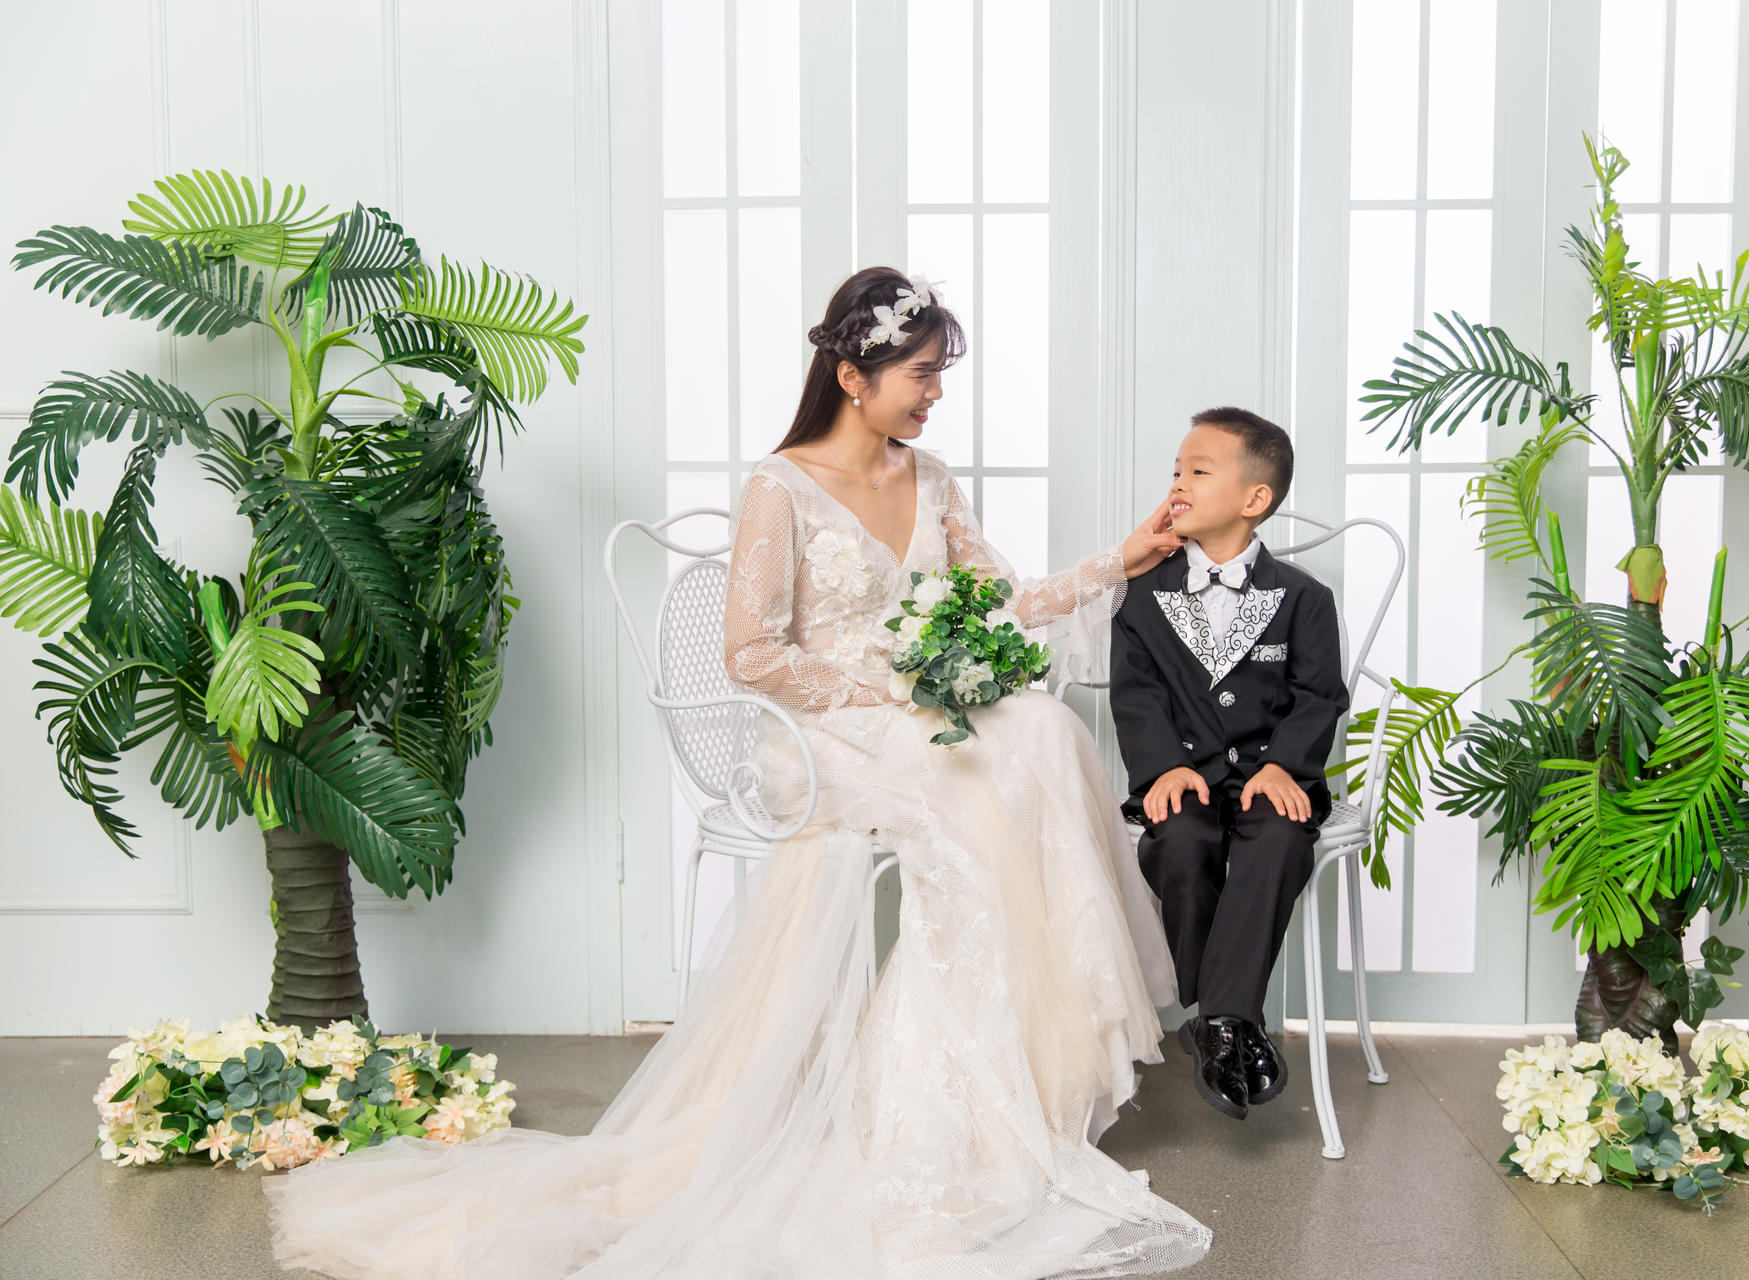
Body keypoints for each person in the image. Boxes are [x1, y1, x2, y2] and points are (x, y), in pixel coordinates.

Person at [261, 267, 1213, 1278]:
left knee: (1046, 731)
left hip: (918, 714)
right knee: (970, 790)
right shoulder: (780, 487)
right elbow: (752, 654)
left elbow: (1000, 602)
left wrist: (1119, 559)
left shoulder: (932, 478)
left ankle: (1026, 1072)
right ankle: (933, 1108)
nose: (936, 394)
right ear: (853, 375)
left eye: (941, 375)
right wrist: (892, 688)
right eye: (922, 374)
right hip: (822, 731)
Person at [1108, 408, 1350, 1121]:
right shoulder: (1142, 597)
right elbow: (1137, 695)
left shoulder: (1304, 598)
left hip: (1271, 780)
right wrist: (1160, 769)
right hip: (1182, 779)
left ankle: (1215, 1021)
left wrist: (1285, 766)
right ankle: (1235, 1019)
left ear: (1255, 498)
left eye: (1198, 471)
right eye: (1175, 471)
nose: (1178, 484)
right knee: (1179, 843)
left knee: (1278, 841)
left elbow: (1319, 695)